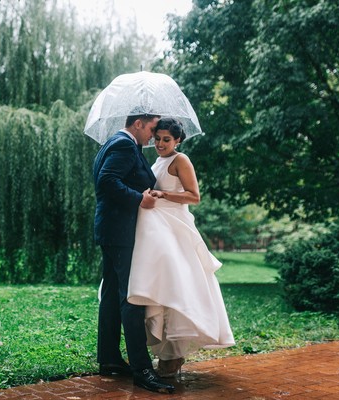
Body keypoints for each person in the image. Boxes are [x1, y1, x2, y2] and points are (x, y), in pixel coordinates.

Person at [127, 117, 235, 377]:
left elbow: (193, 196)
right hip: (158, 227)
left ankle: (174, 353)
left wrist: (163, 195)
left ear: (178, 141)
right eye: (158, 138)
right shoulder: (155, 161)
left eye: (167, 139)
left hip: (175, 226)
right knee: (162, 282)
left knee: (178, 283)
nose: (161, 143)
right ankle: (165, 350)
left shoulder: (181, 160)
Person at [93, 113, 175, 394]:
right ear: (138, 123)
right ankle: (142, 370)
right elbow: (107, 181)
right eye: (152, 128)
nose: (154, 135)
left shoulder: (114, 143)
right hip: (120, 232)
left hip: (112, 231)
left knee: (114, 295)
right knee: (132, 297)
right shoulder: (124, 145)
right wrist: (140, 198)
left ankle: (109, 359)